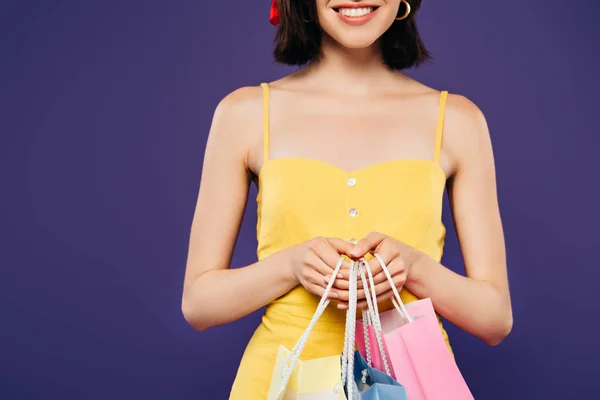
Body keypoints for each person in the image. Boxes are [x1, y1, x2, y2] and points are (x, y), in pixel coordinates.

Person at [181, 0, 513, 398]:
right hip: (278, 381)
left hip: (412, 381)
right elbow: (199, 305)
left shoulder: (459, 120)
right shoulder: (245, 114)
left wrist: (413, 266)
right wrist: (290, 265)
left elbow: (494, 320)